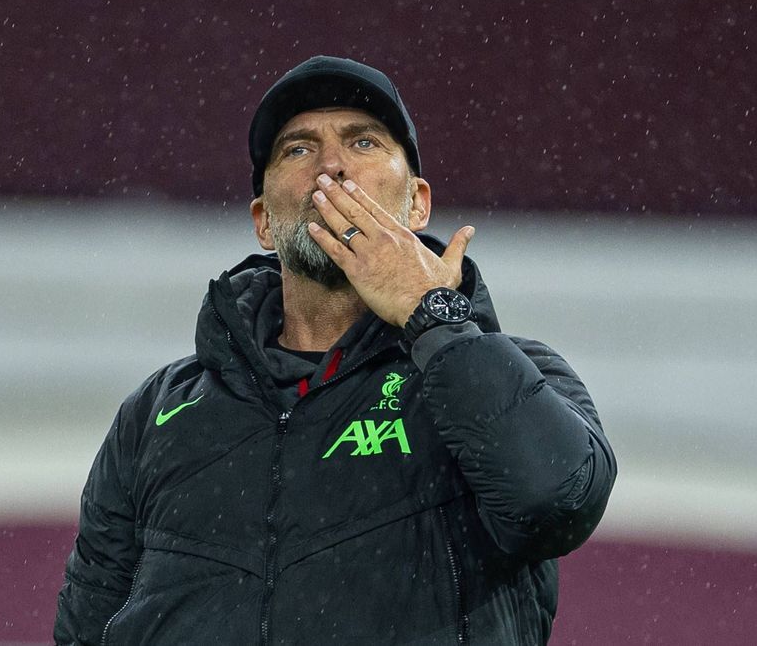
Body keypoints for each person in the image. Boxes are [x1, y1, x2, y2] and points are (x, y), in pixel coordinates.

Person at [54, 55, 616, 645]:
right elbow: (85, 628)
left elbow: (558, 502)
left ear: (418, 203)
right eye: (298, 149)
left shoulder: (518, 371)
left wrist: (435, 319)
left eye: (364, 142)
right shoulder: (156, 413)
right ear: (264, 222)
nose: (331, 167)